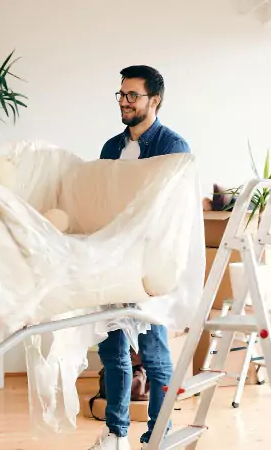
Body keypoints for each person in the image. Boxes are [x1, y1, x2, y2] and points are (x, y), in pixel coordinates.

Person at [91, 65, 190, 450]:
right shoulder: (110, 148)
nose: (125, 102)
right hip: (111, 261)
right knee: (113, 349)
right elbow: (99, 199)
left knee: (153, 352)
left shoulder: (173, 148)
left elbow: (167, 214)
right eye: (121, 94)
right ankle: (116, 434)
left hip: (150, 265)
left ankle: (158, 436)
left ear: (155, 100)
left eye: (133, 95)